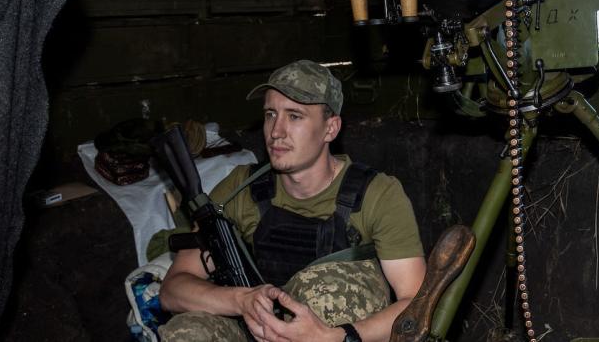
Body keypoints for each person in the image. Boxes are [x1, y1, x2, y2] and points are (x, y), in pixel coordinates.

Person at [159, 60, 426, 342]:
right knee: (187, 333)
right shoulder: (241, 189)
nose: (276, 131)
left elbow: (416, 302)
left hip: (340, 332)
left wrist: (339, 336)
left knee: (325, 296)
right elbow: (173, 288)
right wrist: (242, 300)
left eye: (294, 116)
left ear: (330, 128)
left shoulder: (377, 194)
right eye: (271, 114)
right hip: (257, 329)